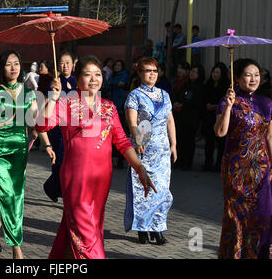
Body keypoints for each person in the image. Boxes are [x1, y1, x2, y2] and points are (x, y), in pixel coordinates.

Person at [36, 55, 157, 259]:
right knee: (86, 233)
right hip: (76, 178)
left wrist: (140, 168)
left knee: (89, 226)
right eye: (87, 74)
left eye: (98, 74)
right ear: (77, 77)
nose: (93, 79)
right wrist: (53, 98)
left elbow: (122, 142)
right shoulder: (67, 103)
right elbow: (42, 125)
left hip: (101, 178)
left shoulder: (109, 107)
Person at [0, 50, 38, 259]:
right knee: (9, 195)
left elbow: (37, 122)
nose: (13, 68)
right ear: (2, 68)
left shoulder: (29, 93)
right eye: (9, 64)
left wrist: (54, 97)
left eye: (17, 63)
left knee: (11, 196)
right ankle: (16, 246)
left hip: (19, 150)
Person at [214, 58, 271, 259]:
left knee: (263, 215)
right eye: (248, 74)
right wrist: (228, 107)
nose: (253, 78)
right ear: (237, 78)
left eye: (257, 74)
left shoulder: (266, 103)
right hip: (236, 170)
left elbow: (270, 137)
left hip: (262, 170)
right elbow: (220, 132)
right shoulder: (228, 101)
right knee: (236, 218)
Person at [124, 57, 177, 245]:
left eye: (154, 70)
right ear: (139, 73)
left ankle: (158, 227)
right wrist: (138, 140)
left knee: (162, 191)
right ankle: (142, 229)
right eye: (147, 70)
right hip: (143, 148)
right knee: (143, 190)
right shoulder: (135, 95)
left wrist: (174, 145)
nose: (151, 74)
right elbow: (132, 122)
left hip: (162, 151)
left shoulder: (165, 94)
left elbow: (170, 121)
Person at [43, 50, 77, 202]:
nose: (65, 66)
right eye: (62, 63)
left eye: (68, 63)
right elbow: (49, 103)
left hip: (74, 126)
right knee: (59, 159)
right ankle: (55, 187)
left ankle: (55, 187)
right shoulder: (56, 82)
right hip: (58, 127)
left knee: (72, 162)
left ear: (73, 64)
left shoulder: (78, 81)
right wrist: (54, 90)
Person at [173, 64, 205, 170]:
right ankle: (179, 160)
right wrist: (177, 103)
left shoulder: (200, 87)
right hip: (181, 116)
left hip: (192, 117)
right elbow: (179, 96)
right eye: (191, 71)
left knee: (189, 140)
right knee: (180, 139)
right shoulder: (185, 84)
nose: (192, 73)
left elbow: (197, 102)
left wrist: (184, 104)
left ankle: (188, 162)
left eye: (195, 72)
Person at [202, 63, 229, 172]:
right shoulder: (208, 84)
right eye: (214, 72)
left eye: (217, 72)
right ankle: (207, 163)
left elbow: (226, 102)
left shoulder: (226, 86)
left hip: (220, 117)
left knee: (221, 143)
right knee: (209, 142)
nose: (215, 74)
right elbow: (203, 99)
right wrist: (207, 105)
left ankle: (218, 164)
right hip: (209, 117)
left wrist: (217, 106)